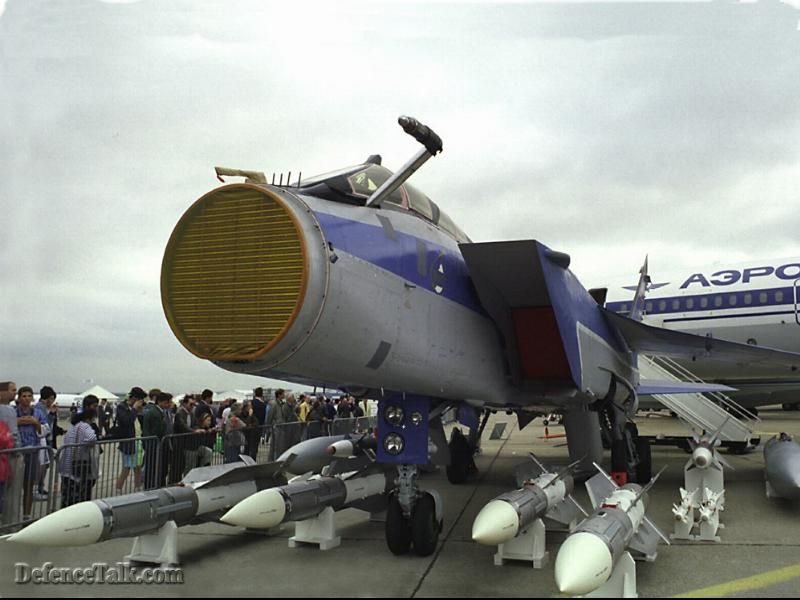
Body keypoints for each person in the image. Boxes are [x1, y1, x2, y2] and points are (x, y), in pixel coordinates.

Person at [16, 386, 47, 519]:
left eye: (29, 396)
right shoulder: (13, 412)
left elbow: (46, 430)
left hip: (33, 452)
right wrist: (17, 421)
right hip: (16, 452)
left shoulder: (38, 412)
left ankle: (26, 515)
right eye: (24, 396)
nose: (27, 398)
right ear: (19, 397)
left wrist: (36, 423)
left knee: (28, 485)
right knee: (13, 485)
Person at [59, 406, 98, 507]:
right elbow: (91, 438)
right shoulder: (84, 426)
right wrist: (88, 444)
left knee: (67, 498)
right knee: (79, 498)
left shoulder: (72, 427)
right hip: (77, 468)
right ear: (90, 418)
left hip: (65, 467)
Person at [114, 387, 146, 492]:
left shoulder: (136, 409)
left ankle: (137, 487)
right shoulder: (122, 407)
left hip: (138, 439)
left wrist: (140, 411)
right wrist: (134, 409)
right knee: (126, 467)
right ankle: (118, 488)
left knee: (137, 466)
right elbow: (127, 421)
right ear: (135, 398)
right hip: (129, 441)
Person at [142, 392, 174, 489]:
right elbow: (158, 430)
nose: (169, 404)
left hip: (157, 444)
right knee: (153, 468)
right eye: (167, 402)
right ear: (160, 402)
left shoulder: (159, 412)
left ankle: (155, 485)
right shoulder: (155, 413)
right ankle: (152, 487)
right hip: (155, 445)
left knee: (158, 468)